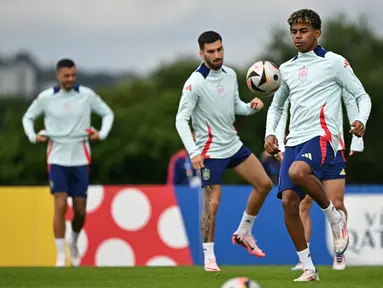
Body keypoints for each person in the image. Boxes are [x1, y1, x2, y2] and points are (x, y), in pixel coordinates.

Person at [264, 9, 372, 282]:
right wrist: (270, 134)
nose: (298, 36)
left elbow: (362, 96)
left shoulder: (334, 62)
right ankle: (308, 268)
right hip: (294, 140)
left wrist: (360, 120)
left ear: (317, 32)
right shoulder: (285, 69)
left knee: (298, 173)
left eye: (303, 31)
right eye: (294, 32)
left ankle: (334, 217)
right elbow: (276, 107)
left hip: (322, 135)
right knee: (289, 203)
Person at [175, 31, 273, 272]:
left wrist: (251, 107)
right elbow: (180, 120)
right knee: (213, 203)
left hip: (233, 145)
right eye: (211, 51)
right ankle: (209, 257)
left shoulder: (229, 74)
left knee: (264, 184)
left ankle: (243, 232)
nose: (217, 55)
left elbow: (234, 105)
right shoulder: (195, 83)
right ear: (201, 53)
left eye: (219, 49)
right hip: (209, 151)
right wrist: (194, 151)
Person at [22, 59, 114, 267]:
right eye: (66, 76)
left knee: (80, 210)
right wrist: (32, 136)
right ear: (58, 76)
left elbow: (108, 113)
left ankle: (73, 241)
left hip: (80, 157)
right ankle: (60, 256)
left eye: (73, 75)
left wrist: (102, 133)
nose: (70, 79)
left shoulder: (87, 95)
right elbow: (27, 118)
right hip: (56, 157)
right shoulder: (46, 97)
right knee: (60, 205)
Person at [277, 92, 363, 272]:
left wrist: (357, 141)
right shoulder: (301, 81)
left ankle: (339, 248)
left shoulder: (332, 75)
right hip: (308, 146)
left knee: (337, 201)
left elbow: (351, 99)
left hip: (333, 148)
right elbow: (282, 109)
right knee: (304, 204)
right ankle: (305, 258)